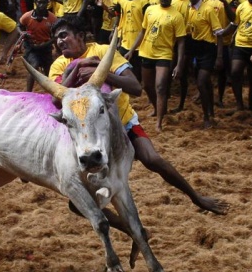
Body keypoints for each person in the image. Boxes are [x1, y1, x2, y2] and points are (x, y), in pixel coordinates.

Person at [48, 16, 229, 215]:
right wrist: (77, 69)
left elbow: (135, 88)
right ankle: (126, 228)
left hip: (123, 121)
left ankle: (197, 198)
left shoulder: (102, 51)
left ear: (80, 35)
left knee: (152, 159)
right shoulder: (58, 65)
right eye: (56, 38)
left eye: (64, 35)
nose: (59, 41)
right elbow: (56, 101)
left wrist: (103, 72)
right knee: (78, 200)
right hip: (88, 136)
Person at [132, 0, 186, 132]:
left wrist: (179, 64)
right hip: (146, 52)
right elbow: (142, 31)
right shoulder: (150, 10)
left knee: (161, 86)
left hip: (164, 54)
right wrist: (132, 49)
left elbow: (181, 42)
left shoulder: (177, 16)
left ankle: (159, 122)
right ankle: (157, 108)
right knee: (147, 86)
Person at [187, 0, 224, 129]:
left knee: (201, 83)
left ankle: (207, 116)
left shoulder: (208, 9)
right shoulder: (189, 9)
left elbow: (219, 34)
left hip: (208, 48)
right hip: (196, 48)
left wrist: (219, 56)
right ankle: (211, 111)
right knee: (205, 83)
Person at [19, 0, 57, 91]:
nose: (41, 5)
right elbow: (19, 26)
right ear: (35, 2)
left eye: (44, 2)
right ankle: (28, 92)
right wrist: (23, 34)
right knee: (34, 66)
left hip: (46, 46)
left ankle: (51, 92)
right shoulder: (27, 16)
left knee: (49, 70)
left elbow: (55, 36)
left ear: (48, 3)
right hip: (31, 46)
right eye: (39, 2)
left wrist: (48, 44)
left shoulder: (52, 18)